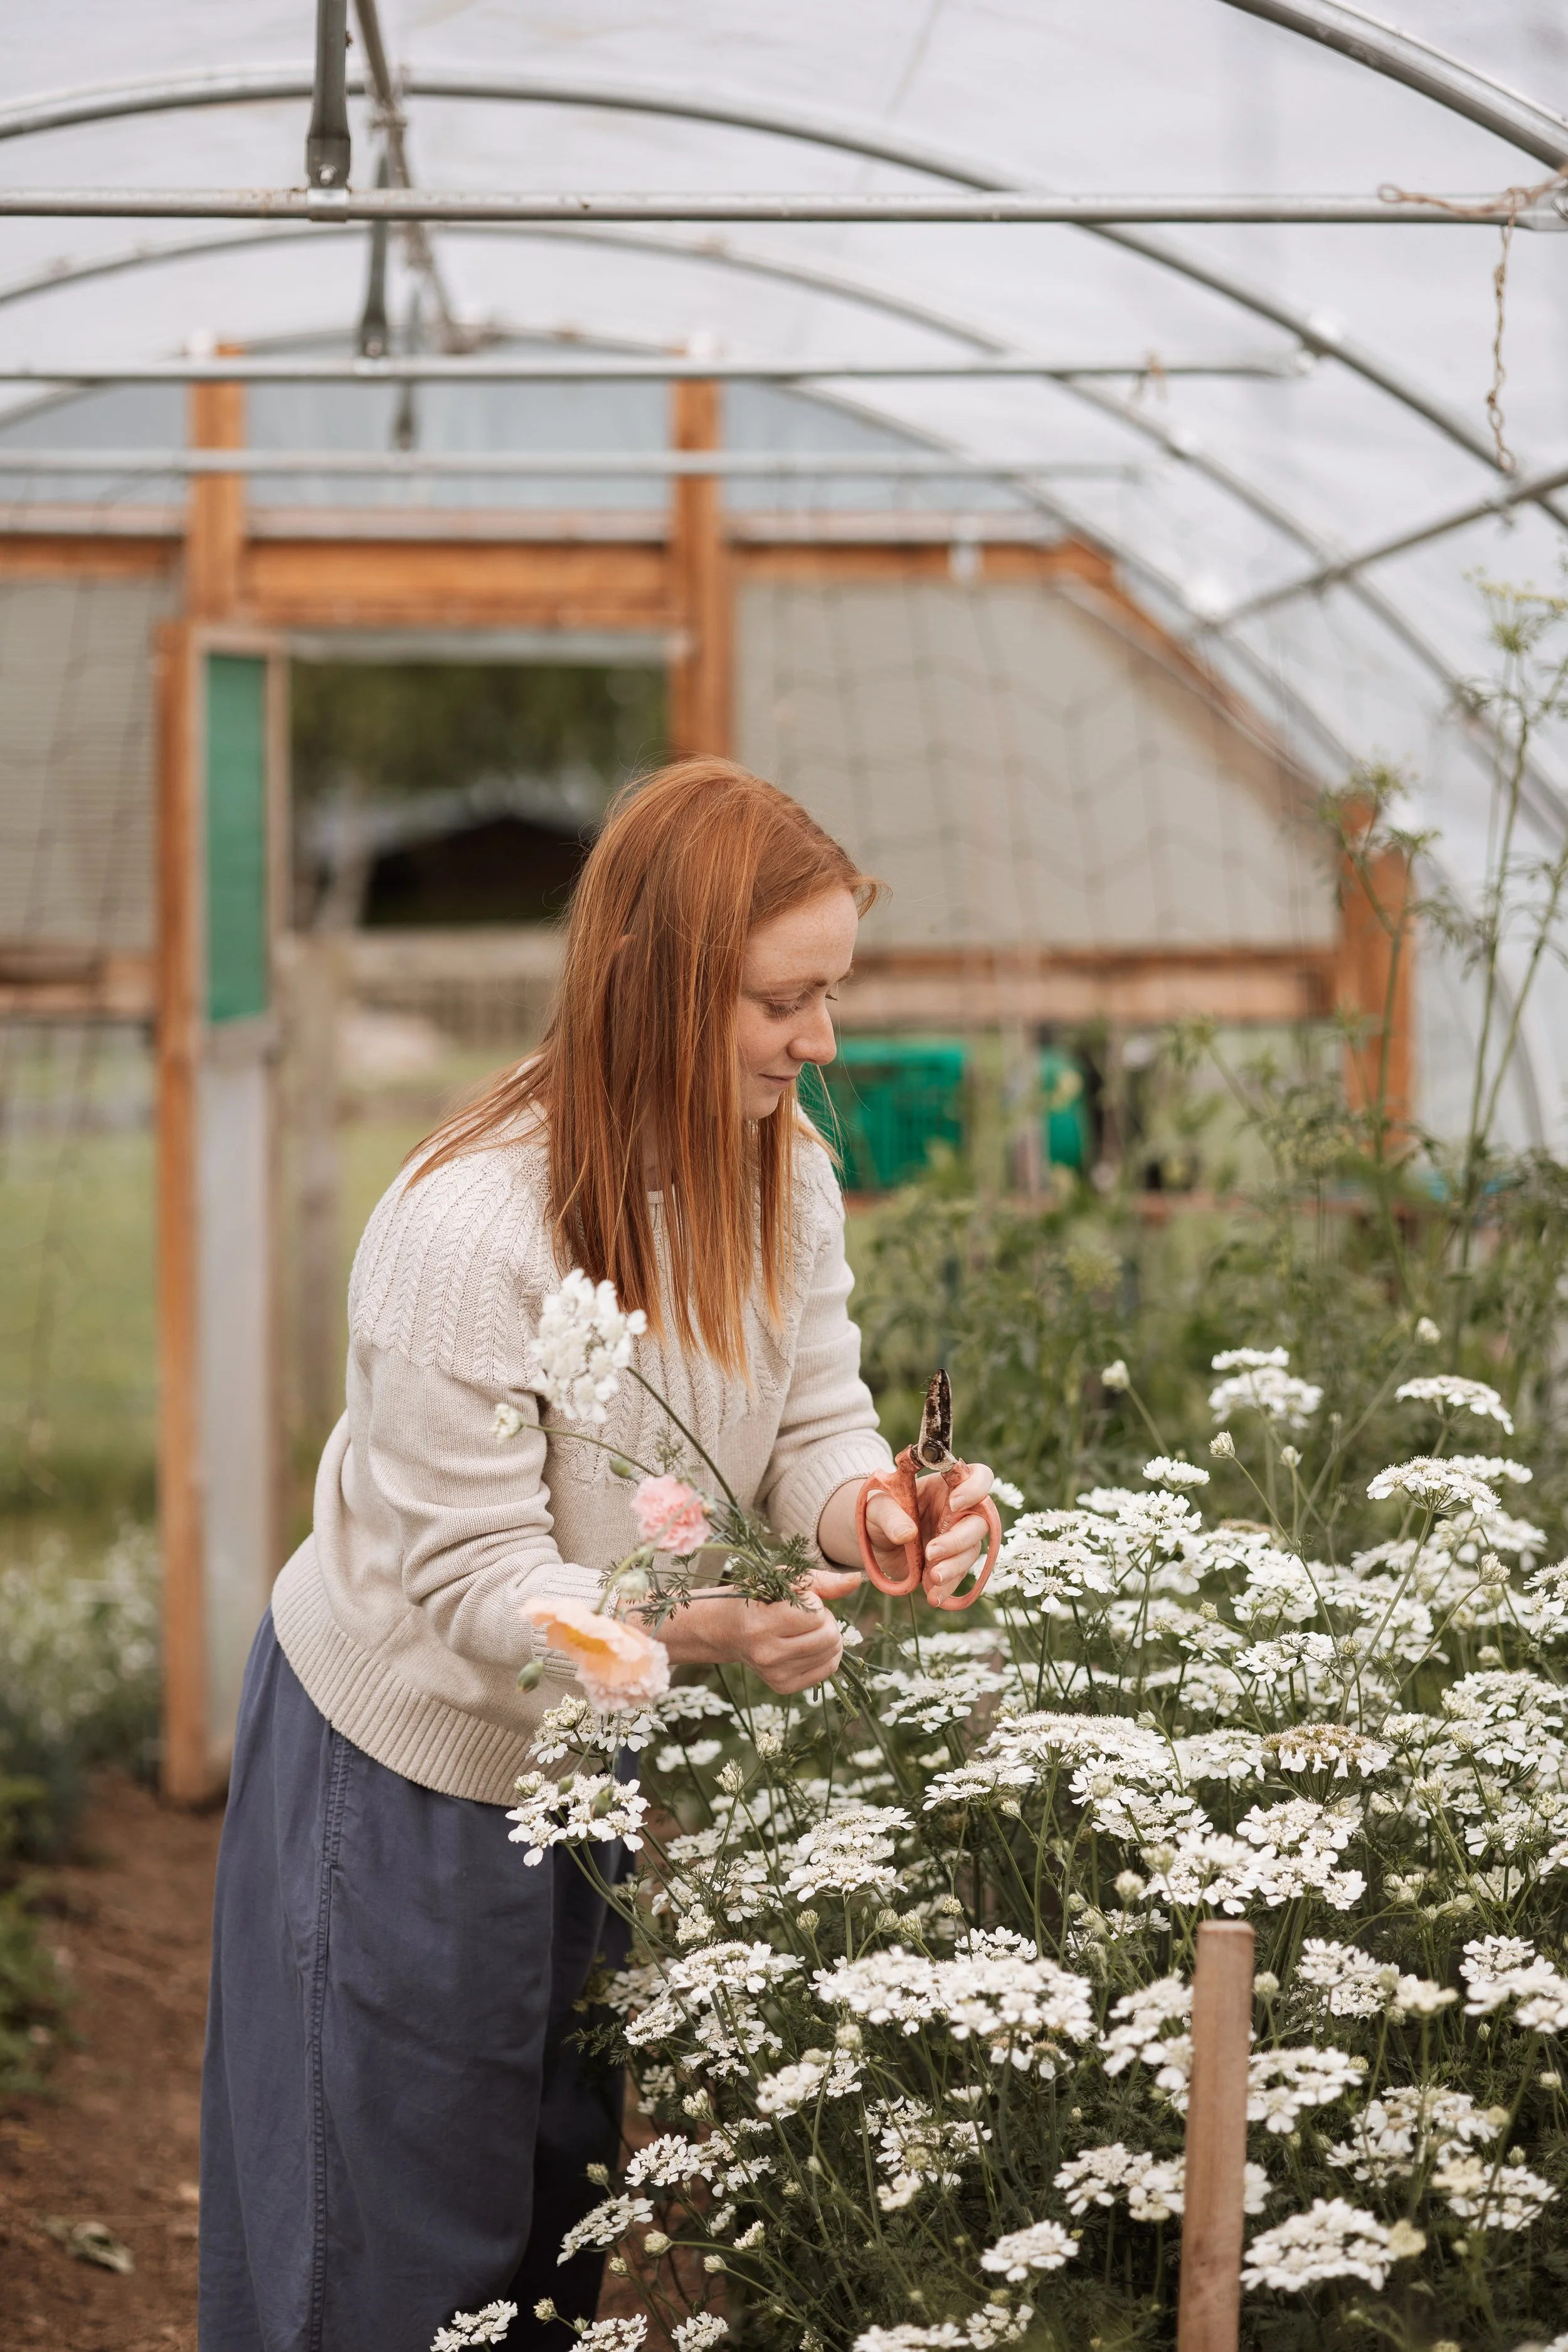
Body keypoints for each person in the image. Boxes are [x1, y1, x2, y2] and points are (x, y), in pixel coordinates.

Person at [198, 758, 996, 2352]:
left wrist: (878, 1513)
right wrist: (702, 1634)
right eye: (787, 999)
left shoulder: (785, 1176)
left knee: (552, 2225)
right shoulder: (467, 1229)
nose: (823, 1042)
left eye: (831, 991)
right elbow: (478, 1588)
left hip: (582, 1771)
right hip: (406, 1766)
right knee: (385, 2257)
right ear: (658, 990)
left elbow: (811, 1424)